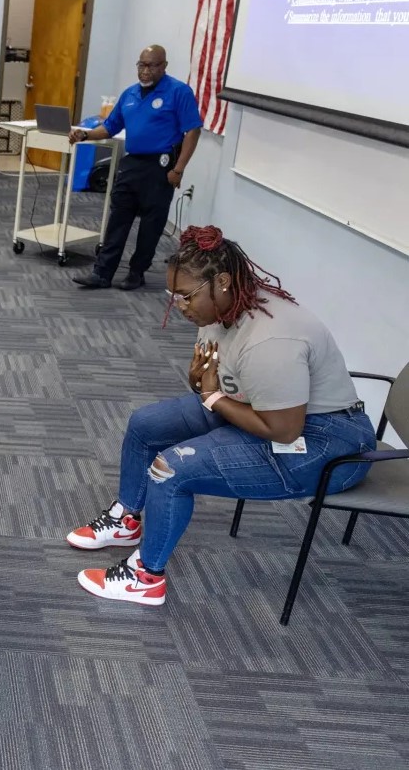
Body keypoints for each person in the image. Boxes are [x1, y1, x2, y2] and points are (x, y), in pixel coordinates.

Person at [69, 226, 376, 606]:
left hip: (326, 442)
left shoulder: (270, 340)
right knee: (146, 425)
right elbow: (212, 380)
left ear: (223, 282)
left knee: (170, 470)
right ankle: (126, 520)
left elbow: (283, 430)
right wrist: (201, 384)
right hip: (255, 408)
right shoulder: (218, 311)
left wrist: (211, 396)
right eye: (173, 296)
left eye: (186, 296)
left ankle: (145, 578)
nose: (180, 306)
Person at [71, 45, 203, 291]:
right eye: (141, 65)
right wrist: (85, 135)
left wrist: (179, 169)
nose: (145, 71)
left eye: (151, 65)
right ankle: (102, 273)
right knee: (118, 219)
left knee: (151, 224)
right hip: (132, 163)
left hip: (161, 166)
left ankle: (136, 272)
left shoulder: (179, 92)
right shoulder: (130, 94)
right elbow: (109, 127)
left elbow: (193, 131)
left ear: (164, 66)